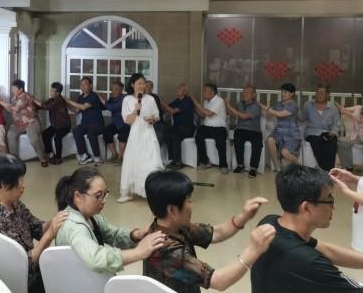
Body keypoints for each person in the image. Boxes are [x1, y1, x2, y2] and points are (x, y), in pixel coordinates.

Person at [143, 170, 275, 293]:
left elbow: (215, 233)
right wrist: (253, 250)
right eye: (189, 200)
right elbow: (218, 281)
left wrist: (243, 216)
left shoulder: (173, 226)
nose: (191, 206)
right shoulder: (166, 250)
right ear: (172, 210)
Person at [251, 164, 363, 292]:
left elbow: (325, 250)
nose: (334, 207)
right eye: (329, 200)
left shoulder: (269, 223)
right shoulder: (309, 262)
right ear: (306, 208)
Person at [0, 155, 69, 293]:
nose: (23, 185)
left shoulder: (11, 201)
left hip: (29, 268)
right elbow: (24, 266)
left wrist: (54, 220)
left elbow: (36, 227)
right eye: (19, 180)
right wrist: (49, 235)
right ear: (4, 185)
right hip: (20, 282)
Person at [54, 167, 166, 274]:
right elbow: (96, 258)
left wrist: (136, 234)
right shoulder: (74, 226)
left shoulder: (91, 216)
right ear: (77, 196)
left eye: (105, 194)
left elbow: (112, 234)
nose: (103, 201)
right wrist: (138, 252)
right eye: (98, 196)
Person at [117, 73, 163, 203]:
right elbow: (127, 121)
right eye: (139, 83)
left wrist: (152, 119)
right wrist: (135, 110)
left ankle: (153, 192)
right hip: (135, 134)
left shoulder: (150, 99)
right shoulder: (127, 100)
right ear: (133, 84)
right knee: (133, 162)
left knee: (152, 162)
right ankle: (128, 192)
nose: (142, 86)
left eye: (144, 83)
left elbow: (157, 116)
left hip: (149, 134)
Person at [0, 79, 48, 167]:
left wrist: (0, 102)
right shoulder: (14, 98)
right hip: (18, 124)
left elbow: (15, 108)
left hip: (31, 122)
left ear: (21, 89)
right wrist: (2, 104)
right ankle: (14, 159)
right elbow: (11, 110)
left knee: (33, 138)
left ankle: (42, 158)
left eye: (14, 89)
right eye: (12, 88)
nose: (12, 90)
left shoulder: (25, 96)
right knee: (10, 135)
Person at [65, 77, 105, 165]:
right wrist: (67, 104)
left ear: (90, 85)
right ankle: (85, 155)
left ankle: (97, 157)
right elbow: (76, 111)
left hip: (97, 124)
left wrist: (68, 100)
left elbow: (83, 107)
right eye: (81, 85)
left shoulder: (94, 96)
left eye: (85, 85)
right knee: (76, 131)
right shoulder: (81, 97)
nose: (83, 87)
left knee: (91, 133)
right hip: (85, 123)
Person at [300, 84, 341, 171]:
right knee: (317, 142)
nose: (318, 95)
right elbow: (301, 118)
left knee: (332, 143)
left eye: (322, 93)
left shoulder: (333, 108)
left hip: (327, 132)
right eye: (317, 93)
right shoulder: (308, 105)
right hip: (312, 132)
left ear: (327, 95)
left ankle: (328, 170)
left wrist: (333, 132)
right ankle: (326, 169)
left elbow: (336, 124)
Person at [225, 85, 262, 179]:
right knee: (237, 140)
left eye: (248, 93)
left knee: (257, 144)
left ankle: (253, 168)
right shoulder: (239, 104)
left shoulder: (257, 106)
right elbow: (233, 115)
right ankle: (240, 165)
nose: (245, 94)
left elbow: (244, 116)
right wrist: (227, 106)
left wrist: (229, 106)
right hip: (241, 129)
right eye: (244, 92)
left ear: (254, 95)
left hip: (255, 130)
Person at [262, 83, 300, 172]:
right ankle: (277, 167)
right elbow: (271, 114)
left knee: (284, 153)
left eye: (285, 92)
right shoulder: (279, 104)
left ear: (292, 93)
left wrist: (267, 109)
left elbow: (280, 114)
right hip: (279, 131)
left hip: (291, 133)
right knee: (270, 140)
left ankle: (299, 166)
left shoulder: (293, 105)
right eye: (282, 92)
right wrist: (268, 112)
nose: (283, 94)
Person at [191, 83, 228, 173]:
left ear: (212, 92)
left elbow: (209, 113)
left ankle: (223, 165)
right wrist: (195, 105)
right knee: (198, 136)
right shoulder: (206, 101)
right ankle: (204, 161)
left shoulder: (219, 101)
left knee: (220, 142)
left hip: (219, 128)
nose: (203, 93)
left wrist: (196, 102)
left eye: (205, 91)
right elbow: (203, 115)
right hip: (207, 127)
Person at [34, 82, 71, 165]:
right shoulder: (52, 99)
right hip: (55, 125)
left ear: (58, 92)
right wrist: (34, 106)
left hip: (64, 126)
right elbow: (43, 105)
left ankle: (58, 158)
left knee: (57, 138)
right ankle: (50, 153)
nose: (50, 92)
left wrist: (33, 99)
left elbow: (46, 107)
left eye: (52, 91)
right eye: (50, 90)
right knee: (45, 134)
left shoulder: (59, 100)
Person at [161, 83, 196, 171]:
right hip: (177, 127)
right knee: (166, 134)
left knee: (175, 136)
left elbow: (172, 111)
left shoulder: (187, 101)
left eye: (179, 89)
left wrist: (161, 101)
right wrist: (161, 105)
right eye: (178, 88)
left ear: (185, 92)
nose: (177, 90)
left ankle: (178, 162)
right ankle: (173, 160)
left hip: (187, 128)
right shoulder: (177, 100)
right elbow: (167, 108)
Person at [102, 81, 129, 165]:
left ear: (121, 90)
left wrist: (101, 98)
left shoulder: (124, 98)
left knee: (122, 135)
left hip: (125, 123)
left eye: (116, 89)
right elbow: (105, 107)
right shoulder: (112, 98)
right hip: (115, 124)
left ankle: (121, 157)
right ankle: (114, 154)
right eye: (112, 89)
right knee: (106, 132)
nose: (113, 91)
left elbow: (112, 108)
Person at [335, 101, 363, 171]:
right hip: (356, 136)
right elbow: (344, 110)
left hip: (361, 137)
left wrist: (343, 110)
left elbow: (359, 119)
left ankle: (348, 167)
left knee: (343, 143)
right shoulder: (358, 107)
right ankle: (348, 166)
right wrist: (340, 109)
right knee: (340, 142)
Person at [145, 80, 166, 146]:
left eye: (150, 87)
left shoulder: (154, 97)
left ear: (152, 88)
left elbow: (153, 113)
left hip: (157, 123)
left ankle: (156, 151)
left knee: (158, 136)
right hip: (145, 123)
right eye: (146, 86)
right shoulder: (141, 97)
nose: (148, 88)